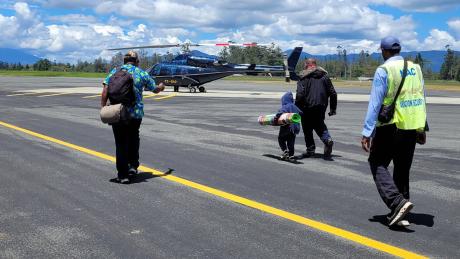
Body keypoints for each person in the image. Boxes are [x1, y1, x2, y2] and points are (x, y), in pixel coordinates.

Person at [361, 36, 428, 227]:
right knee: (402, 168)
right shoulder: (416, 68)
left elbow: (375, 103)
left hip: (391, 125)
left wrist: (367, 132)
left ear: (384, 51)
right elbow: (421, 97)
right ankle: (400, 212)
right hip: (412, 124)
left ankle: (396, 202)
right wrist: (422, 127)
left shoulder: (384, 70)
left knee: (377, 162)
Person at [101, 50, 165, 183]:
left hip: (118, 112)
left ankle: (122, 175)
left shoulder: (114, 71)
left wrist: (103, 107)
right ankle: (133, 167)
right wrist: (161, 86)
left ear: (124, 61)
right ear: (137, 62)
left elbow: (105, 90)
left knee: (120, 143)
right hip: (135, 114)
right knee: (134, 139)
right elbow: (155, 89)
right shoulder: (142, 73)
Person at [294, 58, 337, 160]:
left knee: (307, 128)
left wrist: (296, 107)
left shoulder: (303, 77)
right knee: (319, 124)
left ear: (307, 65)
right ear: (315, 65)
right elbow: (333, 93)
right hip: (321, 106)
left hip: (307, 107)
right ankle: (327, 140)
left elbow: (300, 95)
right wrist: (332, 109)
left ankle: (310, 150)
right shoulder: (324, 76)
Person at [277, 92, 302, 161]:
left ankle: (285, 151)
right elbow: (301, 113)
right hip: (294, 128)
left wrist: (276, 117)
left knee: (281, 139)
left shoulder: (286, 106)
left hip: (286, 127)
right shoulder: (294, 106)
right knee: (291, 142)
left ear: (284, 100)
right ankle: (291, 156)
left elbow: (280, 112)